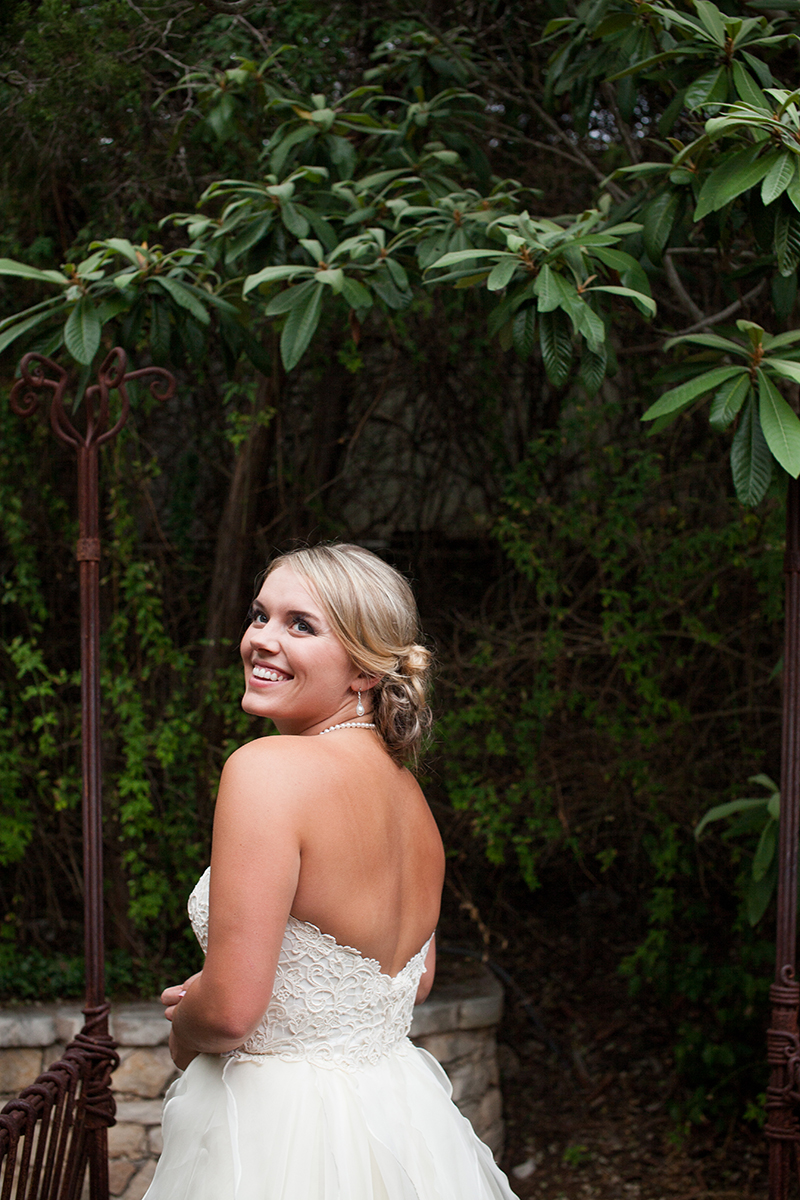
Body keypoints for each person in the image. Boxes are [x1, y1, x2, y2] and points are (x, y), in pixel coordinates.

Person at [143, 543, 517, 1200]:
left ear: (365, 672)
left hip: (274, 1135)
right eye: (261, 615)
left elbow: (230, 1014)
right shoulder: (411, 799)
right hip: (399, 1121)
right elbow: (414, 980)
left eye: (301, 625)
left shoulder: (264, 772)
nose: (261, 639)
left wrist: (187, 1020)